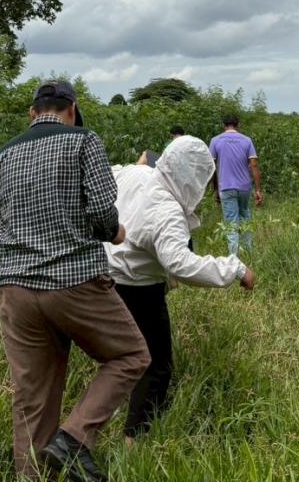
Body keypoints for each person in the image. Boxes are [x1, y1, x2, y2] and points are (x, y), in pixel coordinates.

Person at [0, 80, 150, 482]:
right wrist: (113, 231)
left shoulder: (3, 155)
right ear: (72, 109)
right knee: (131, 356)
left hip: (15, 292)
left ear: (33, 113)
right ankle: (74, 438)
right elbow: (103, 210)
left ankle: (32, 475)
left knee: (31, 399)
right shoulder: (84, 141)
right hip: (74, 282)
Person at [106, 136, 256, 440]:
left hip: (103, 277)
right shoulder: (169, 212)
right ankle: (136, 438)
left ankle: (115, 411)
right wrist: (235, 268)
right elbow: (181, 264)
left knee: (122, 355)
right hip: (138, 288)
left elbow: (112, 174)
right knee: (155, 364)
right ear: (194, 177)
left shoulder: (137, 174)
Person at [209, 114, 263, 255]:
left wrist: (216, 189)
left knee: (231, 221)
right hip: (245, 187)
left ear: (224, 125)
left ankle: (234, 257)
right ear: (238, 125)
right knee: (245, 216)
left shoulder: (215, 141)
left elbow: (211, 167)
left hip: (226, 187)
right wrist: (258, 190)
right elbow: (254, 165)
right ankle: (249, 252)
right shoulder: (247, 140)